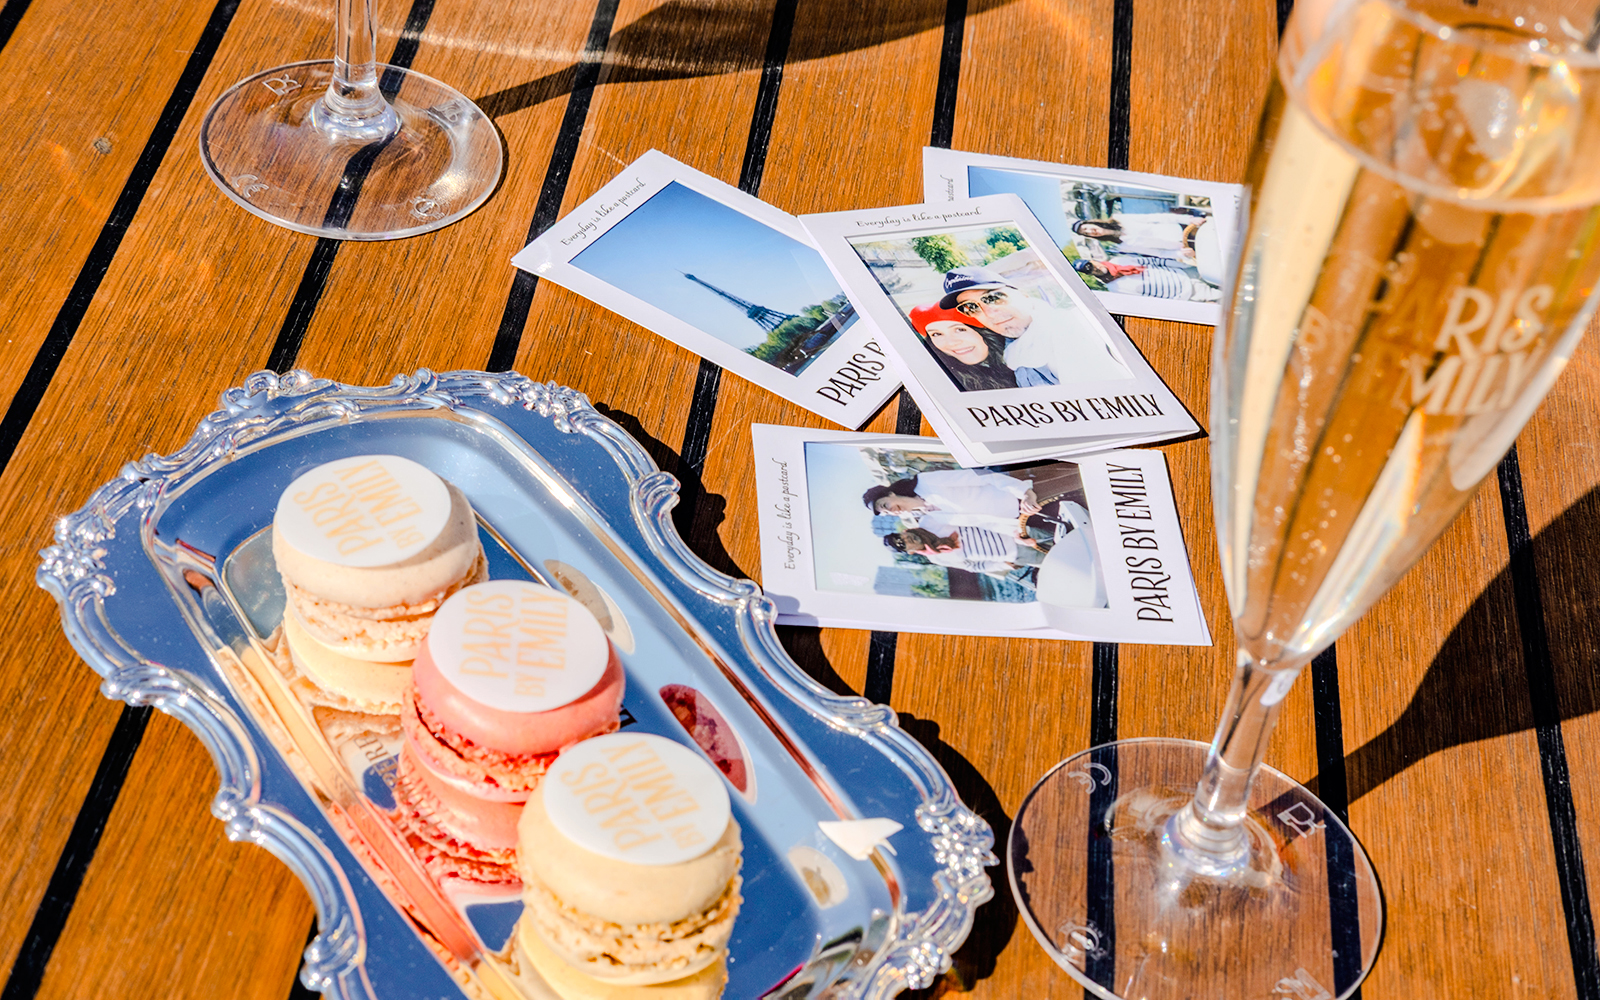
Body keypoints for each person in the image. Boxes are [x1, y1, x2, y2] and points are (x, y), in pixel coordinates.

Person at [938, 266, 1132, 384]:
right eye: (971, 307)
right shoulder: (1006, 349)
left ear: (1022, 294)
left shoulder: (1067, 328)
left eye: (994, 297)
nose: (989, 312)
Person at [906, 303, 1052, 390]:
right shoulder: (947, 379)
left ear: (983, 332)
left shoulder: (1030, 353)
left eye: (960, 329)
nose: (951, 342)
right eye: (936, 334)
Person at [1071, 210, 1207, 262]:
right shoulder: (1122, 246)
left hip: (1187, 229)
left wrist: (1189, 220)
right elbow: (1158, 253)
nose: (1091, 231)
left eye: (1087, 227)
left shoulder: (1119, 218)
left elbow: (1157, 216)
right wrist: (1181, 254)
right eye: (1086, 233)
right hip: (1187, 247)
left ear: (1092, 222)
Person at [1073, 257, 1220, 302]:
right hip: (1187, 292)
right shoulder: (1114, 288)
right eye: (1090, 270)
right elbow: (1148, 300)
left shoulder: (1119, 260)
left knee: (1224, 277)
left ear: (1093, 261)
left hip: (1185, 273)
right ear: (1090, 274)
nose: (1095, 268)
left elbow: (1151, 261)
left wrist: (1186, 265)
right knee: (1226, 296)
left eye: (1091, 265)